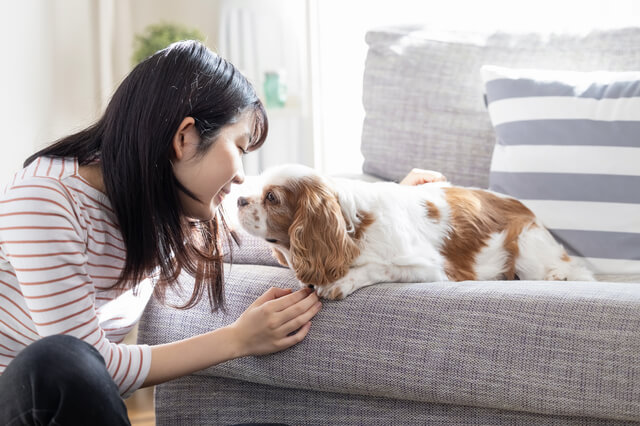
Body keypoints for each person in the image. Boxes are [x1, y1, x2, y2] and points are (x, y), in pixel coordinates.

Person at [0, 40, 446, 425]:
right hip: (27, 401)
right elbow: (94, 366)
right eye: (238, 147)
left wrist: (386, 206)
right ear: (185, 139)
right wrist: (237, 339)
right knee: (57, 362)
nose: (240, 178)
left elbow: (286, 223)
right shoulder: (46, 199)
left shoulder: (165, 203)